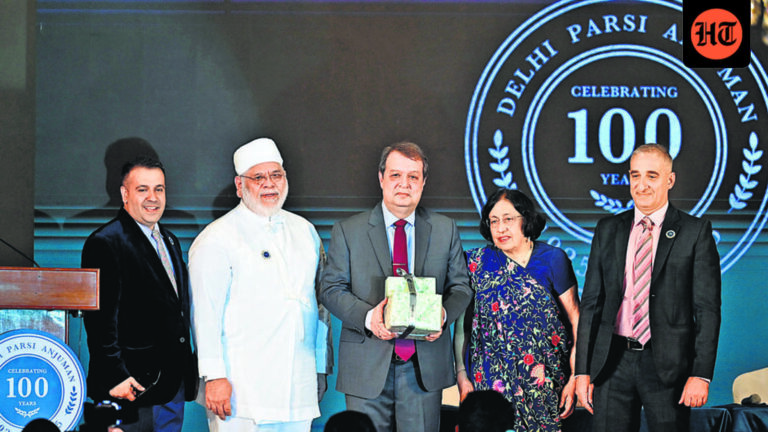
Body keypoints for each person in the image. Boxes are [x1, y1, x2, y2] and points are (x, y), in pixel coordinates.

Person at [319, 141, 472, 432]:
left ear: (423, 182)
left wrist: (441, 316)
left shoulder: (445, 229)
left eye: (413, 176)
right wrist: (369, 318)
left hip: (423, 368)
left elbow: (461, 288)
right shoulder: (348, 230)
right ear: (381, 178)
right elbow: (331, 289)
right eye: (395, 175)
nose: (404, 184)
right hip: (366, 366)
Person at [575, 143, 722, 432]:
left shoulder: (695, 231)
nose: (641, 185)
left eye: (652, 176)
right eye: (635, 175)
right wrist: (582, 371)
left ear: (670, 180)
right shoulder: (607, 229)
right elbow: (591, 304)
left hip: (668, 365)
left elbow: (707, 310)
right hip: (611, 363)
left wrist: (701, 375)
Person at [189, 137, 333, 432]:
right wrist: (213, 375)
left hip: (298, 385)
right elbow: (205, 313)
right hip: (241, 392)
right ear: (239, 185)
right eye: (258, 177)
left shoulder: (305, 231)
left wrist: (320, 367)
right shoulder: (217, 238)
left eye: (276, 175)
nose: (270, 184)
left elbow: (320, 305)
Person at [82, 156, 198, 432]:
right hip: (130, 389)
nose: (153, 197)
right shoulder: (105, 242)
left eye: (159, 189)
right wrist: (115, 375)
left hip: (171, 388)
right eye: (142, 189)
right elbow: (100, 323)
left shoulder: (169, 240)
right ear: (125, 194)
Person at [453, 188, 580, 432]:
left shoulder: (553, 259)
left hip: (547, 384)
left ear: (526, 219)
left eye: (508, 219)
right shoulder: (474, 264)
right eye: (493, 221)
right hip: (490, 386)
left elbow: (577, 320)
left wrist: (576, 376)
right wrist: (461, 375)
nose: (500, 228)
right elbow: (463, 326)